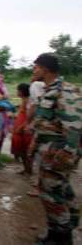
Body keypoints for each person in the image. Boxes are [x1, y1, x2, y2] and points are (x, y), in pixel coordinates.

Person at [29, 53, 81, 245]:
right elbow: (46, 122)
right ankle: (57, 232)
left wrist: (67, 152)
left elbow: (74, 124)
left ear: (45, 69)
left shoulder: (63, 90)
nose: (33, 70)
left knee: (53, 194)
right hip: (48, 150)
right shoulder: (49, 89)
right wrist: (35, 142)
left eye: (36, 67)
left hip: (57, 154)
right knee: (57, 192)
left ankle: (61, 237)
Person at [11, 83, 33, 174]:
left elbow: (30, 117)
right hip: (20, 129)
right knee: (22, 151)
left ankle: (28, 170)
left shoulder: (27, 101)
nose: (17, 92)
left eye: (18, 90)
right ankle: (26, 169)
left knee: (25, 151)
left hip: (24, 130)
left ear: (22, 91)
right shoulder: (24, 100)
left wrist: (21, 126)